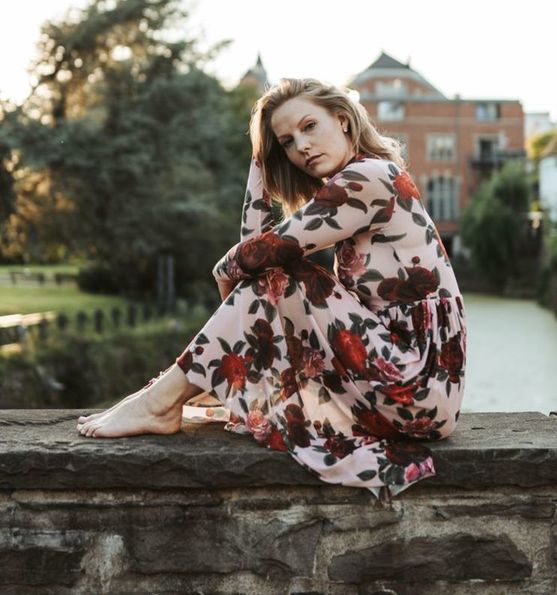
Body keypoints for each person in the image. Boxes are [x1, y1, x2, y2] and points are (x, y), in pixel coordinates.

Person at [77, 77, 467, 499]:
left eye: (309, 126)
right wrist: (260, 160)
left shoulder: (370, 177)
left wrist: (225, 272)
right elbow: (257, 248)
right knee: (278, 276)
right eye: (286, 142)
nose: (301, 146)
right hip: (403, 381)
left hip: (415, 385)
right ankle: (164, 398)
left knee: (284, 276)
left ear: (343, 120)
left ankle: (160, 401)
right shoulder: (361, 177)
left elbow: (262, 253)